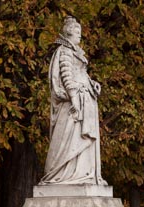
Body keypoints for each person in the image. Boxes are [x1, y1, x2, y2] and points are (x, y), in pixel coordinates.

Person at [39, 16, 107, 185]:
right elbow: (66, 77)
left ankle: (83, 174)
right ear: (68, 33)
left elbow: (81, 74)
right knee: (68, 140)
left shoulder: (74, 52)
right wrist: (75, 100)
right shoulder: (64, 51)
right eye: (77, 32)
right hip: (74, 101)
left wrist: (92, 83)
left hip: (85, 99)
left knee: (78, 140)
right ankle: (63, 175)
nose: (80, 35)